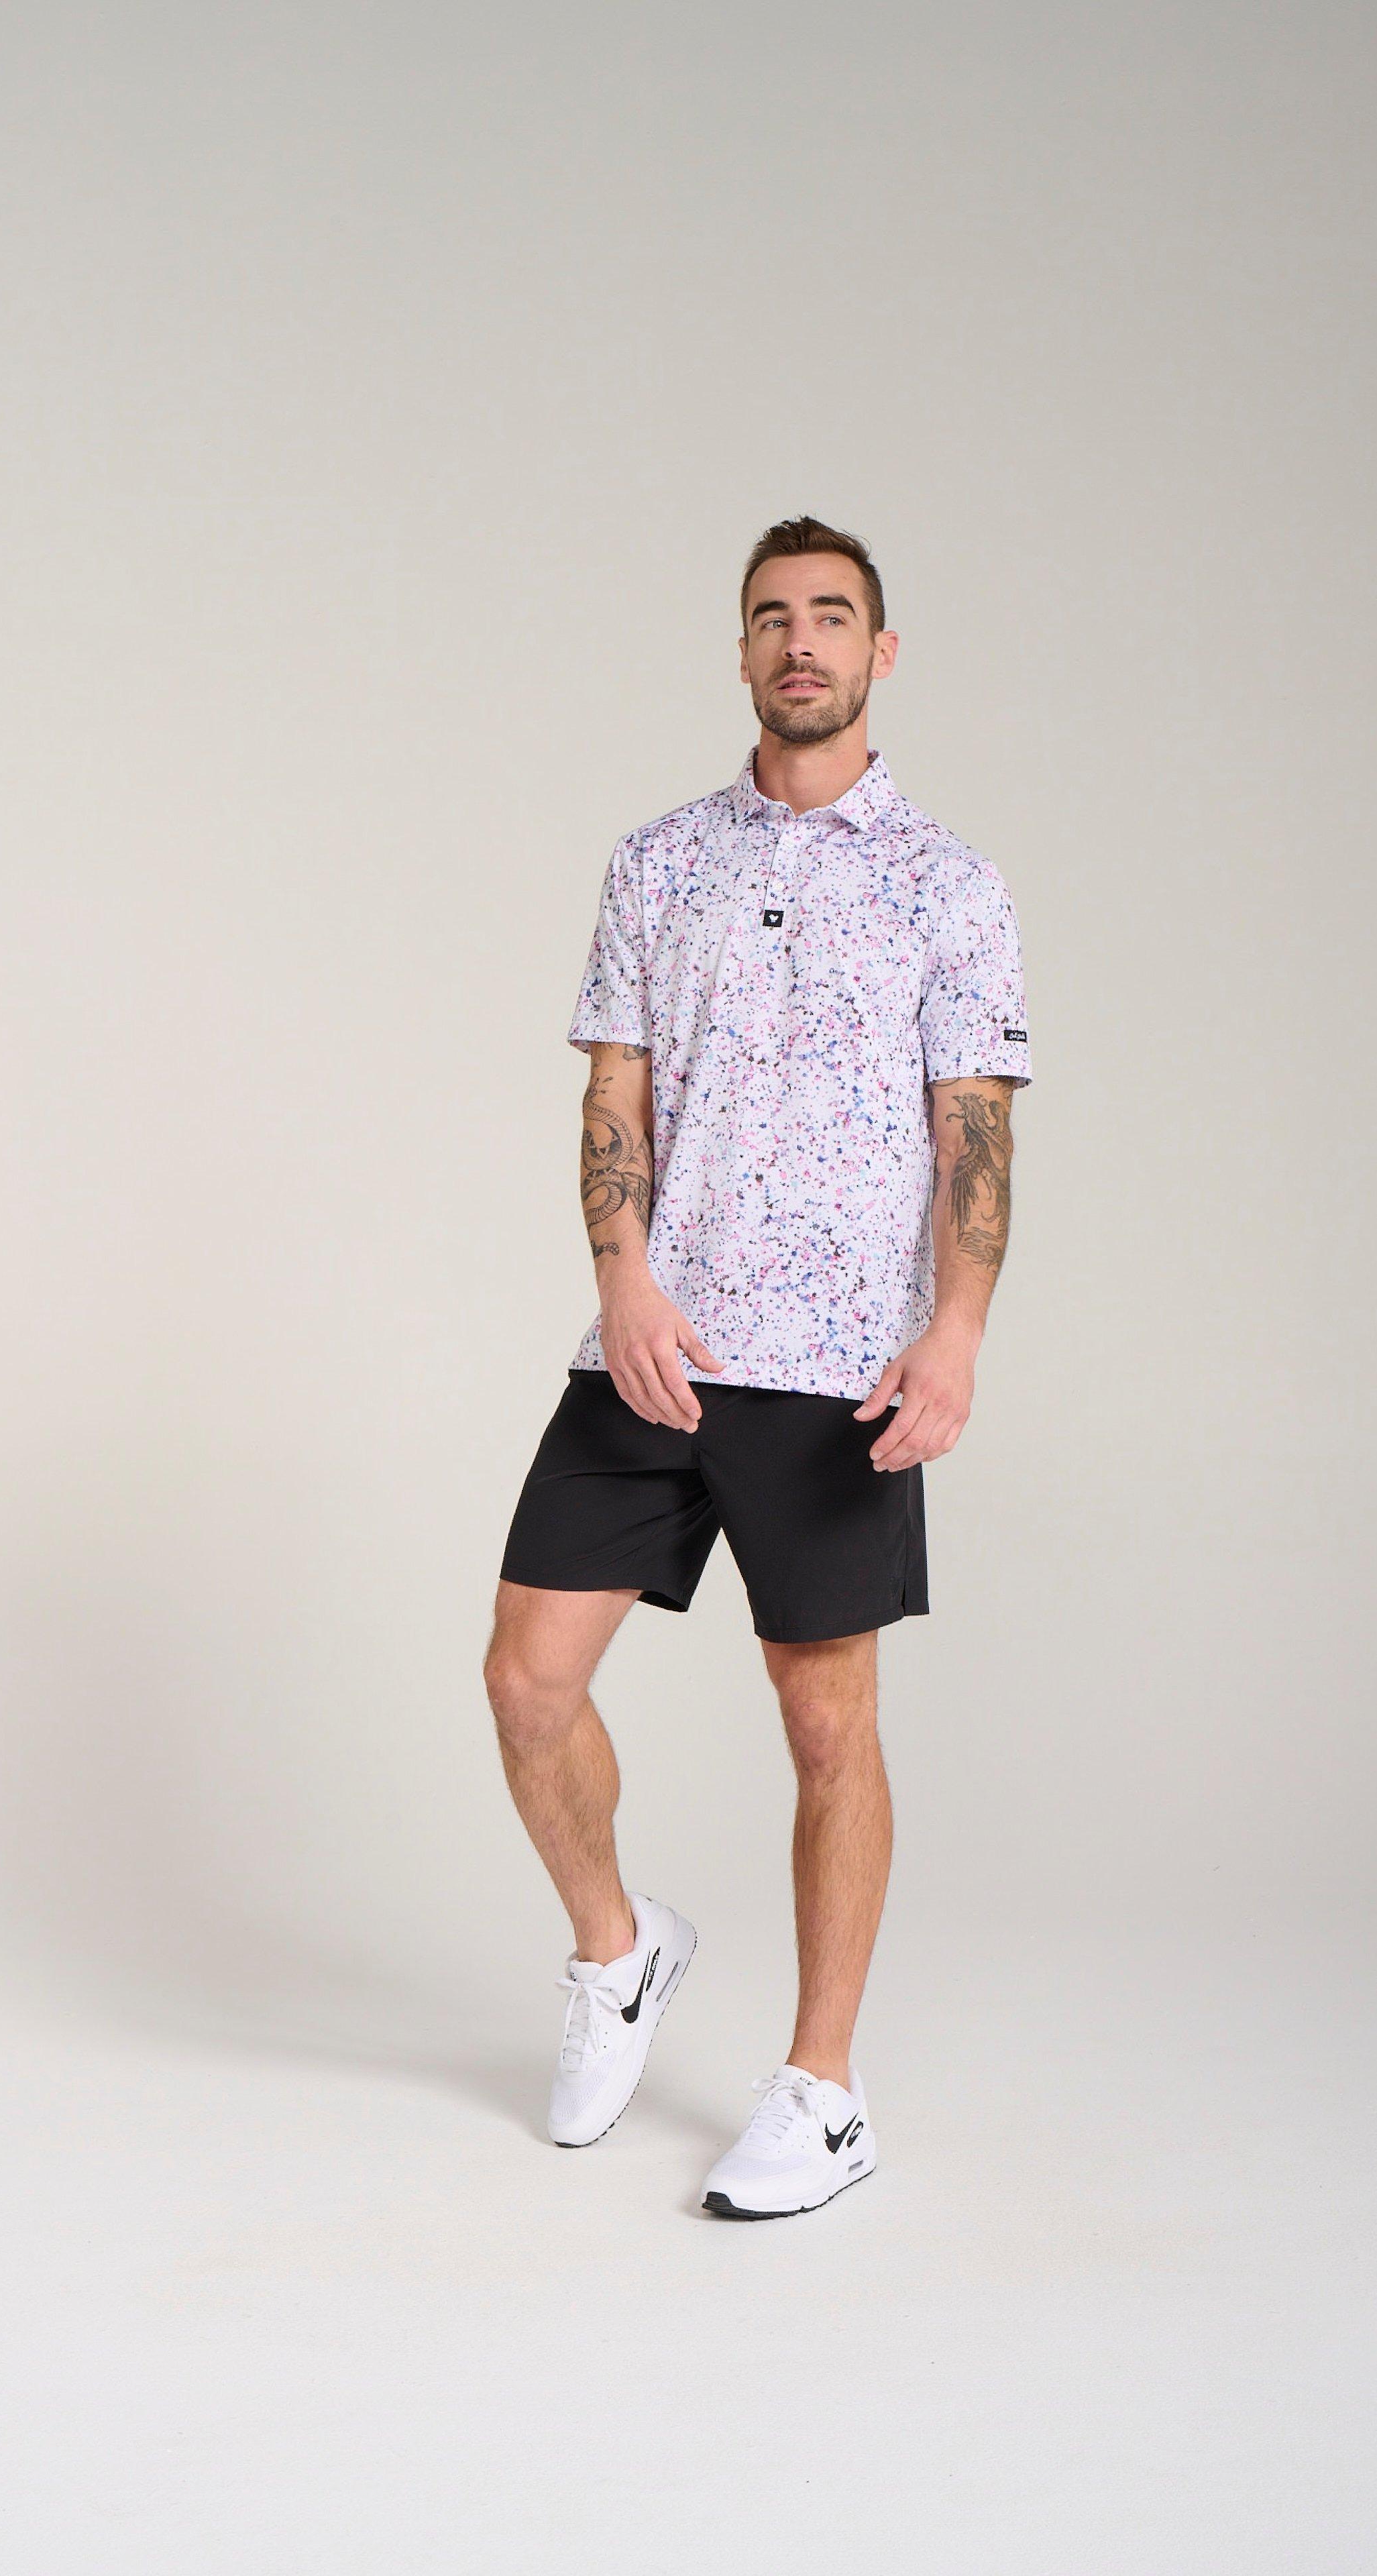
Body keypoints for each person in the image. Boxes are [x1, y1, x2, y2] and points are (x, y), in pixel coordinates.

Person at [484, 514, 1032, 2218]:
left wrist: (954, 1334)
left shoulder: (948, 884)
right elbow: (613, 1098)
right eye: (772, 617)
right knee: (525, 1681)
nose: (801, 641)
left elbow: (974, 1130)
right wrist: (622, 1283)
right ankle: (618, 1949)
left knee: (824, 1724)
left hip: (837, 1367)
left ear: (880, 653)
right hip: (656, 1346)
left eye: (832, 616)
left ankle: (823, 2091)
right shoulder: (657, 861)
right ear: (739, 652)